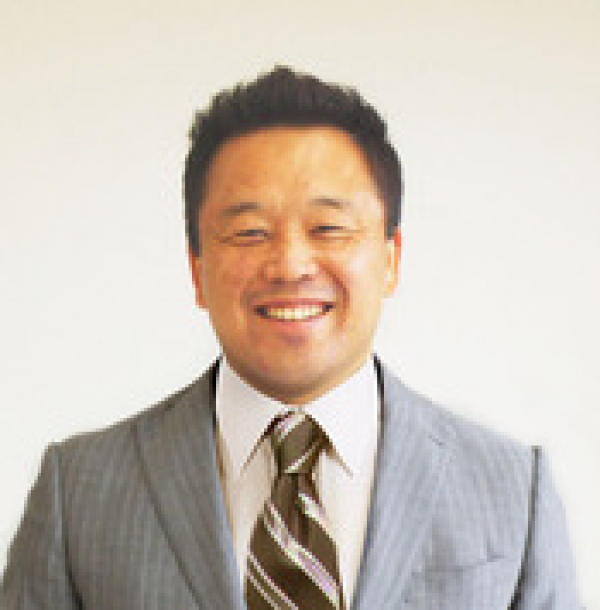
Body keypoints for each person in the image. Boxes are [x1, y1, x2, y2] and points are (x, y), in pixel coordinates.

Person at [1, 67, 580, 609]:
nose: (290, 265)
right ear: (197, 269)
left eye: (328, 227)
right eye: (249, 232)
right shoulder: (78, 492)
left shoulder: (514, 492)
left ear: (390, 259)